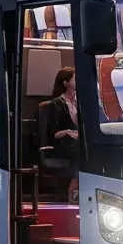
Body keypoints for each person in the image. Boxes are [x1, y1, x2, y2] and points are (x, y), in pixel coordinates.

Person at [44, 67, 81, 203]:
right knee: (77, 147)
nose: (78, 81)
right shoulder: (57, 104)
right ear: (66, 83)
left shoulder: (81, 102)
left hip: (78, 139)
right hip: (63, 142)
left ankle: (76, 181)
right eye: (75, 79)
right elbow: (53, 133)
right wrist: (68, 132)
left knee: (84, 146)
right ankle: (75, 183)